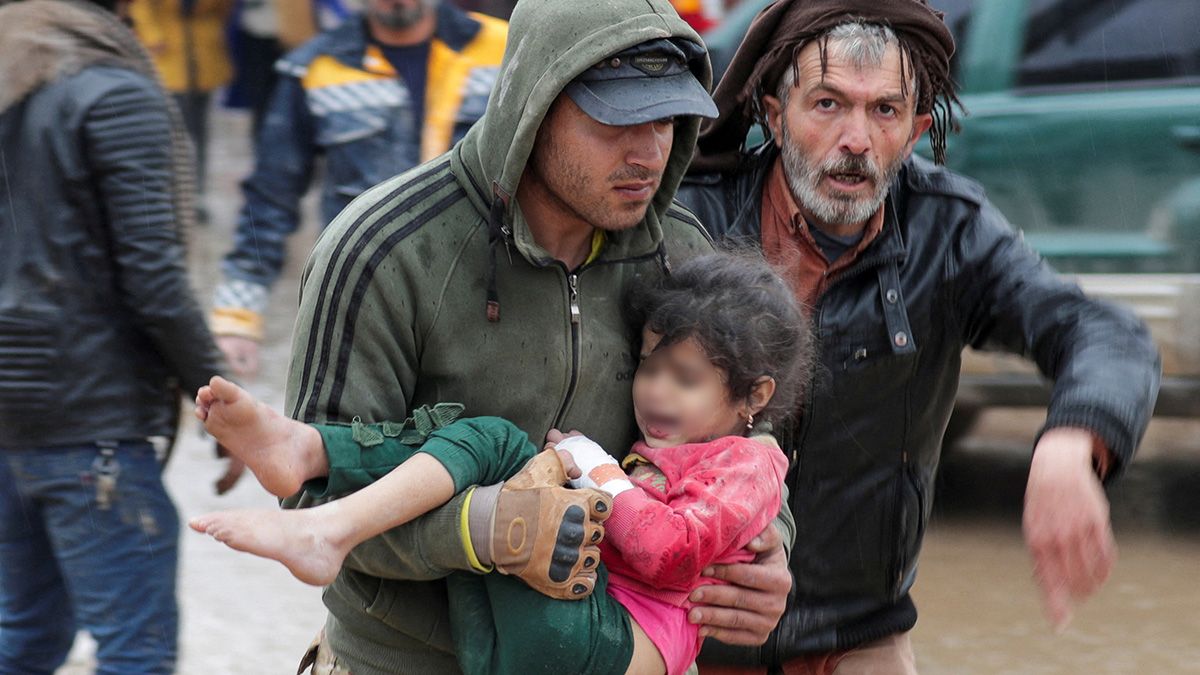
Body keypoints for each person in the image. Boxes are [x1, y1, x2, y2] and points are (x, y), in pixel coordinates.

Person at [275, 0, 795, 671]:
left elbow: (748, 434)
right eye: (618, 121)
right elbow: (314, 497)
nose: (649, 153)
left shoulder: (680, 255)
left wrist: (770, 550)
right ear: (533, 108)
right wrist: (485, 528)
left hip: (606, 646)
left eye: (666, 120)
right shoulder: (381, 251)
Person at [675, 1, 1162, 672]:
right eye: (827, 104)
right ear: (773, 115)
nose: (856, 139)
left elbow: (1102, 330)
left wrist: (1072, 440)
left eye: (885, 110)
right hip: (687, 627)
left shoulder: (948, 230)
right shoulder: (690, 219)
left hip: (858, 632)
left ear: (915, 132)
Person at [191, 252, 813, 675]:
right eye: (648, 367)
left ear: (755, 396)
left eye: (685, 378)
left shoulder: (750, 461)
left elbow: (666, 550)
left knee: (497, 444)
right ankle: (311, 456)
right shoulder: (387, 241)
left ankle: (319, 480)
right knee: (488, 470)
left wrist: (592, 465)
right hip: (528, 643)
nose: (656, 391)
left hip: (606, 642)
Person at [0, 0, 242, 671]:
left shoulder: (14, 75)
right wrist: (224, 399)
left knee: (24, 638)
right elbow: (153, 279)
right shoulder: (112, 92)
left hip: (15, 420)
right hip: (86, 415)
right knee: (137, 651)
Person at [210, 0, 507, 376]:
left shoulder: (504, 49)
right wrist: (238, 315)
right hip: (365, 304)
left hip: (487, 298)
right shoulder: (317, 68)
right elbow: (269, 196)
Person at [130, 0, 236, 220]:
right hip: (166, 57)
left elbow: (225, 10)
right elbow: (141, 8)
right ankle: (169, 192)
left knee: (199, 131)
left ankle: (196, 193)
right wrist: (153, 37)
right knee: (169, 131)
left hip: (203, 56)